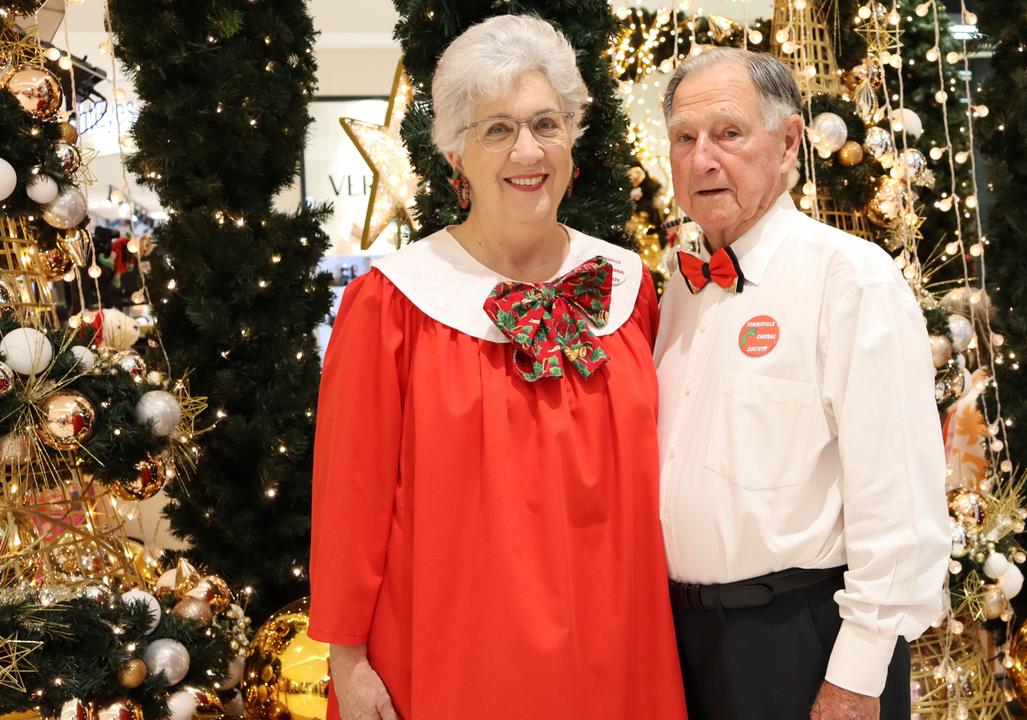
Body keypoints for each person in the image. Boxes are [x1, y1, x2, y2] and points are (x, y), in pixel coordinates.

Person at [308, 15, 686, 720]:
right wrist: (347, 663)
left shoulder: (630, 288)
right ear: (456, 153)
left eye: (546, 123)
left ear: (574, 137)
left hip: (621, 647)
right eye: (497, 129)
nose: (527, 150)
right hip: (456, 655)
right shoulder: (392, 304)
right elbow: (348, 501)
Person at [654, 47, 951, 720]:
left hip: (801, 643)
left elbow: (897, 498)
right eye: (684, 138)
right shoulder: (678, 291)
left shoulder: (852, 280)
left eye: (728, 133)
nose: (703, 158)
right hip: (683, 646)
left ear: (789, 142)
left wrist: (856, 674)